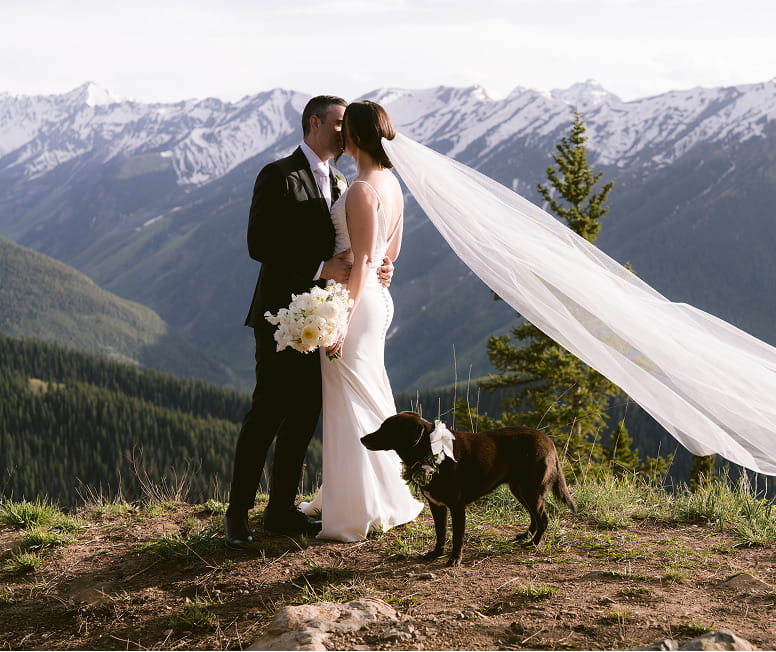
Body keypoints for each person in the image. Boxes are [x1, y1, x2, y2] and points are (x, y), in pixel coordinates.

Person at [224, 96, 394, 548]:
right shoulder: (278, 175)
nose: (344, 131)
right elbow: (259, 244)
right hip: (281, 316)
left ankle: (280, 511)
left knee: (304, 416)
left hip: (324, 317)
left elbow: (356, 243)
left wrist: (378, 265)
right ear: (314, 123)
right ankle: (236, 515)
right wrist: (320, 268)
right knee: (266, 413)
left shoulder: (342, 182)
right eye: (338, 123)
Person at [298, 101, 424, 541]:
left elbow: (367, 259)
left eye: (344, 128)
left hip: (357, 302)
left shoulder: (360, 189)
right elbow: (389, 255)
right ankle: (377, 493)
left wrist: (340, 320)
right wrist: (377, 271)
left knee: (348, 401)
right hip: (377, 299)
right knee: (369, 392)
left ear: (354, 135)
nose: (339, 135)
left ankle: (357, 507)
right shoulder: (391, 184)